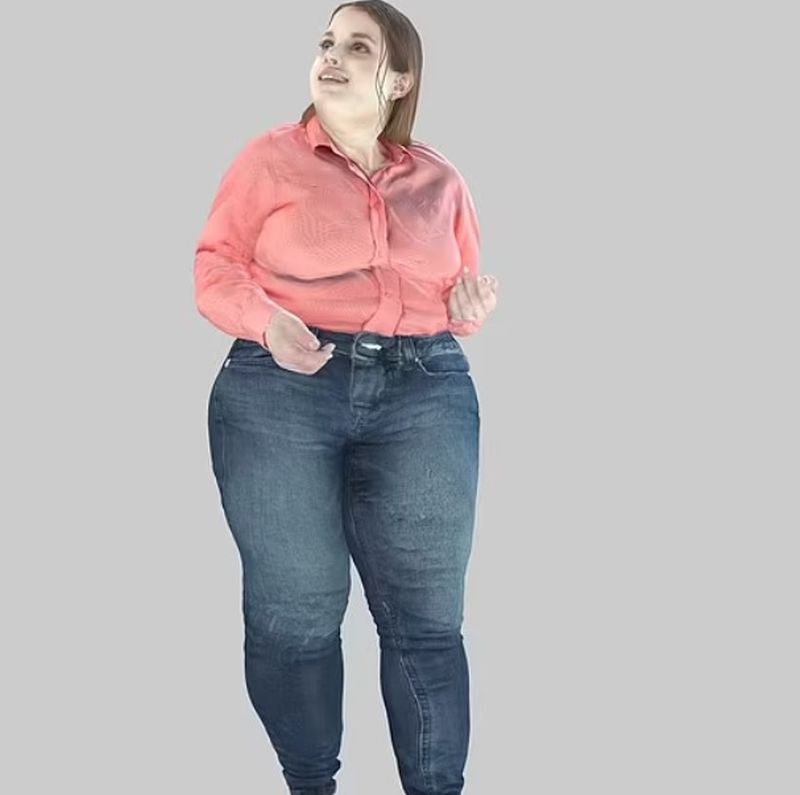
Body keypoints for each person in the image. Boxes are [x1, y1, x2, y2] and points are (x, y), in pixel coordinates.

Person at [193, 2, 498, 793]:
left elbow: (460, 294)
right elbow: (215, 264)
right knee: (296, 613)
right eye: (326, 42)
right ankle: (311, 783)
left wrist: (469, 307)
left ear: (398, 79)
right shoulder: (269, 159)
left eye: (357, 47)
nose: (331, 56)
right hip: (281, 390)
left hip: (424, 391)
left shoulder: (440, 179)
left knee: (428, 622)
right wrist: (267, 322)